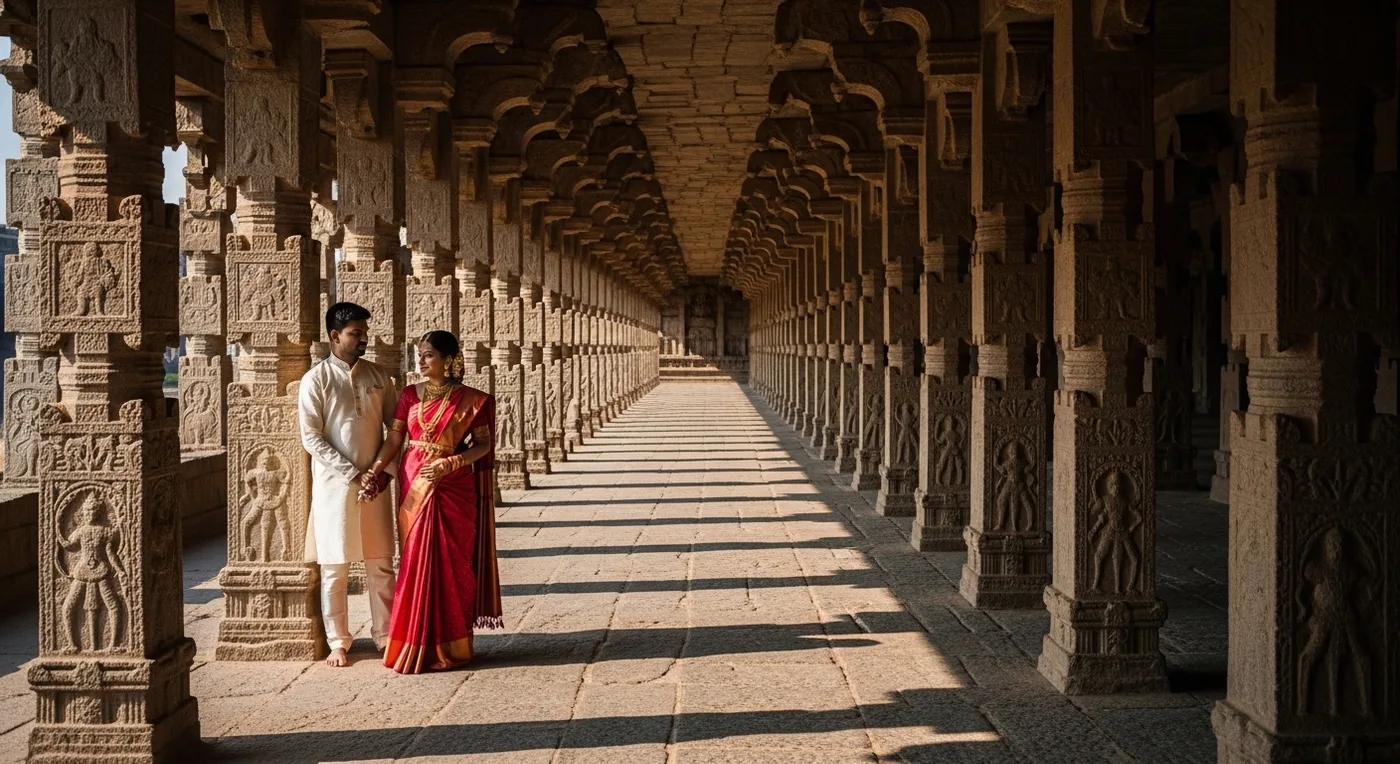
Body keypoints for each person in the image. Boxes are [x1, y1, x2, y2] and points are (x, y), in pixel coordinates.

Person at [366, 330, 503, 673]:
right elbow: (396, 437)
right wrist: (377, 467)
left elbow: (483, 445)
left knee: (452, 564)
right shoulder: (409, 395)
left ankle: (451, 643)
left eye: (429, 355)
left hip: (452, 485)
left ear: (449, 360)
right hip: (415, 482)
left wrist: (452, 462)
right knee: (414, 559)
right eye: (419, 354)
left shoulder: (473, 400)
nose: (421, 361)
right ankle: (411, 641)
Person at [298, 302, 399, 667]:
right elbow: (310, 437)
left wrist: (381, 472)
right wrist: (354, 473)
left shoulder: (379, 376)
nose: (362, 340)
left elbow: (396, 428)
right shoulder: (317, 379)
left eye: (364, 334)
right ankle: (338, 641)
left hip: (374, 483)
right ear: (334, 336)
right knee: (334, 565)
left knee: (381, 564)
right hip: (335, 487)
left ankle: (385, 636)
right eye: (356, 334)